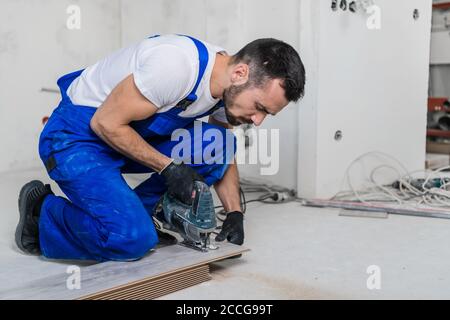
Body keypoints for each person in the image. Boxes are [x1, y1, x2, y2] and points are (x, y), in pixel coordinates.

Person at [15, 34, 305, 262]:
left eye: (267, 114)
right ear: (240, 73)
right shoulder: (175, 66)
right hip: (77, 136)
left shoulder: (226, 85)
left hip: (126, 132)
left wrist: (234, 213)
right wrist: (168, 167)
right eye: (259, 108)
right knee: (130, 239)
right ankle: (42, 215)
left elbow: (221, 150)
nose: (257, 121)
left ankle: (145, 214)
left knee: (217, 142)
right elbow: (105, 122)